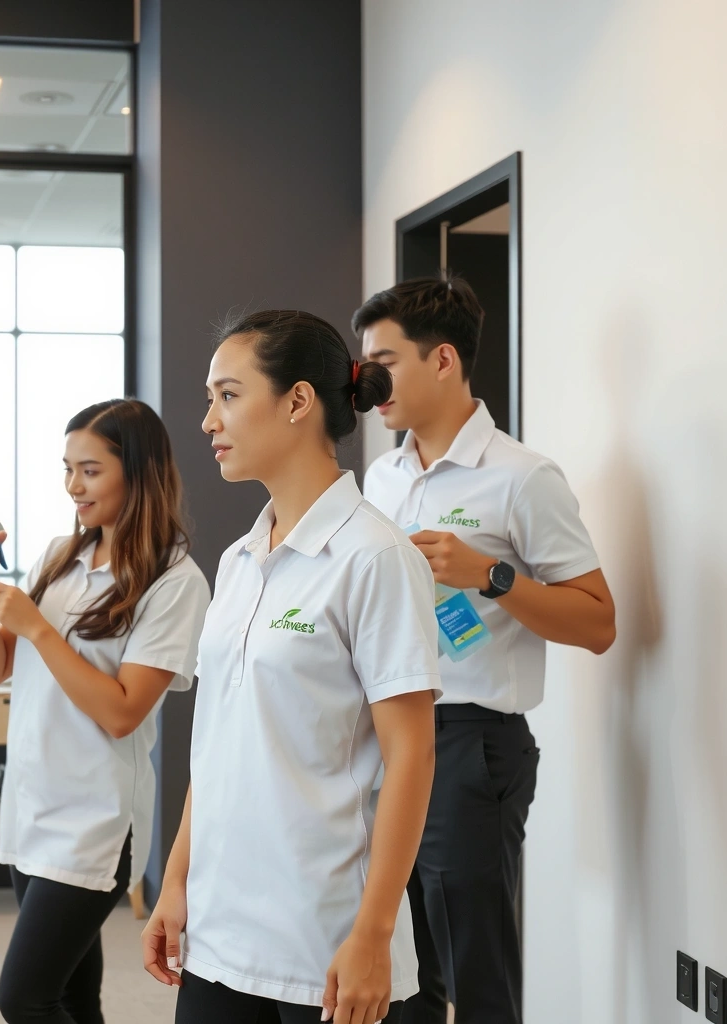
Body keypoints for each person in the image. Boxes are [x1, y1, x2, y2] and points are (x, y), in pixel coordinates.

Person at [141, 310, 443, 1024]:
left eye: (228, 395)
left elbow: (413, 756)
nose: (209, 419)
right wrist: (177, 880)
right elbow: (217, 744)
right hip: (218, 928)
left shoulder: (375, 558)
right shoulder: (238, 561)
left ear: (298, 401)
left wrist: (374, 935)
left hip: (324, 940)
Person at [353, 276, 617, 1024]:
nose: (368, 381)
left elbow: (599, 623)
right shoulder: (382, 474)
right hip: (386, 733)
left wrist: (489, 575)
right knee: (399, 960)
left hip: (471, 742)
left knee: (474, 967)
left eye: (384, 360)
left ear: (442, 360)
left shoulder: (523, 476)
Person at [0, 398, 211, 1024]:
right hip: (33, 803)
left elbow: (122, 712)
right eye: (67, 469)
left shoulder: (175, 582)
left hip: (95, 822)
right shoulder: (56, 558)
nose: (73, 486)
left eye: (90, 470)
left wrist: (40, 630)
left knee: (24, 998)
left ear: (139, 472)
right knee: (70, 995)